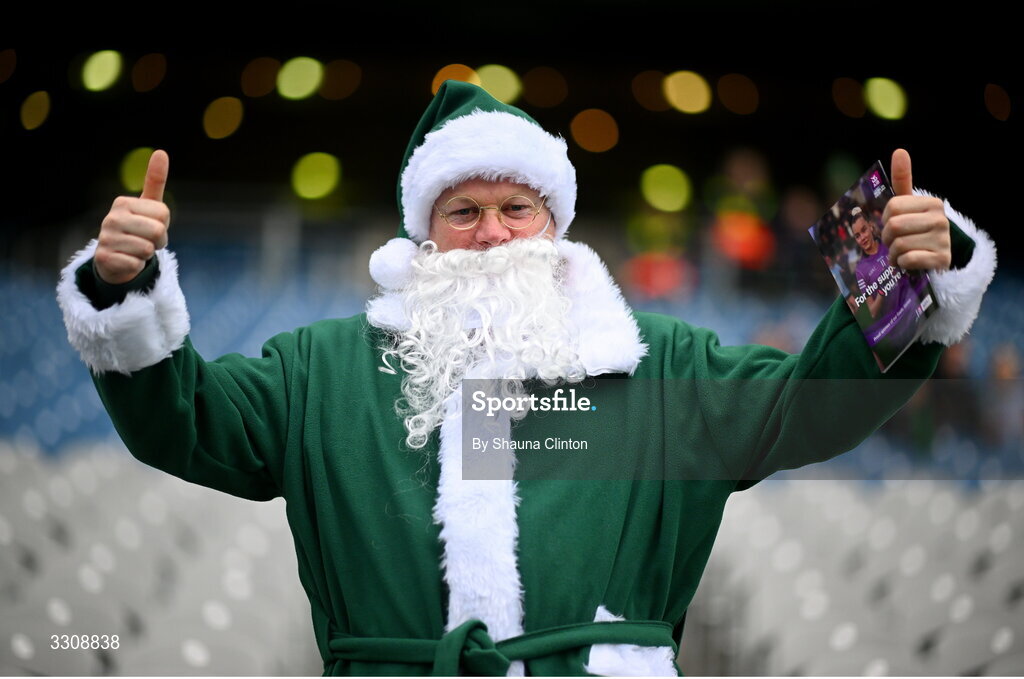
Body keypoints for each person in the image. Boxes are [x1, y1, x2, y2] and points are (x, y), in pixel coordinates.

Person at [57, 81, 997, 676]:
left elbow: (810, 404)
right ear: (423, 233)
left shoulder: (660, 367)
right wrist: (121, 288)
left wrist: (907, 275)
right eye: (463, 210)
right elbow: (187, 423)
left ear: (556, 226)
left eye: (517, 207)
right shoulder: (321, 369)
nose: (493, 232)